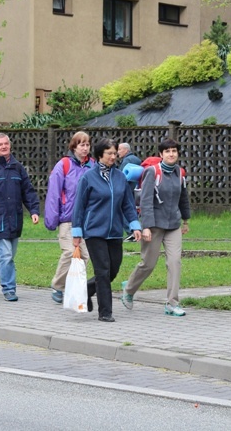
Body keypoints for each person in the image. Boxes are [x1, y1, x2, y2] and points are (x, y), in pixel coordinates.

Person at [72, 138, 142, 322]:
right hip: (94, 231)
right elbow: (79, 205)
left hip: (114, 232)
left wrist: (134, 224)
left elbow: (127, 204)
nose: (114, 156)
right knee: (102, 271)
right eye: (109, 153)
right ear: (100, 155)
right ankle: (105, 312)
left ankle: (87, 290)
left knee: (113, 270)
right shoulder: (88, 177)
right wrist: (77, 231)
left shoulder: (120, 177)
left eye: (115, 153)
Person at [121, 139, 190, 317]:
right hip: (154, 225)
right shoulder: (152, 172)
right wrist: (146, 227)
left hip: (173, 224)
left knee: (175, 262)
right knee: (148, 264)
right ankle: (129, 289)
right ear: (161, 154)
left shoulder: (179, 174)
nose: (171, 154)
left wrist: (186, 220)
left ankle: (172, 303)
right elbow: (145, 200)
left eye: (174, 151)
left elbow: (183, 198)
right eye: (167, 151)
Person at [0, 133, 40, 302]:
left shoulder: (17, 167)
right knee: (5, 256)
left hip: (15, 219)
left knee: (8, 255)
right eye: (0, 144)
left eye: (6, 144)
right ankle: (9, 288)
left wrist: (34, 210)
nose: (4, 147)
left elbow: (28, 191)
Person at [44, 131, 94, 307]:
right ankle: (57, 286)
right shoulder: (63, 165)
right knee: (68, 252)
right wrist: (52, 219)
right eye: (81, 145)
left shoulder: (92, 166)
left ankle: (72, 287)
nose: (85, 148)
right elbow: (54, 193)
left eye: (87, 145)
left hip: (86, 220)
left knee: (85, 256)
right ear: (74, 146)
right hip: (68, 218)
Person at [118, 142, 141, 242]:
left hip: (126, 190)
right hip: (135, 189)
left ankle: (130, 232)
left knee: (122, 211)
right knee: (133, 211)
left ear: (126, 150)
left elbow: (121, 176)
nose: (117, 152)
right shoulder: (137, 159)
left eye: (119, 150)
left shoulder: (126, 160)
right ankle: (137, 230)